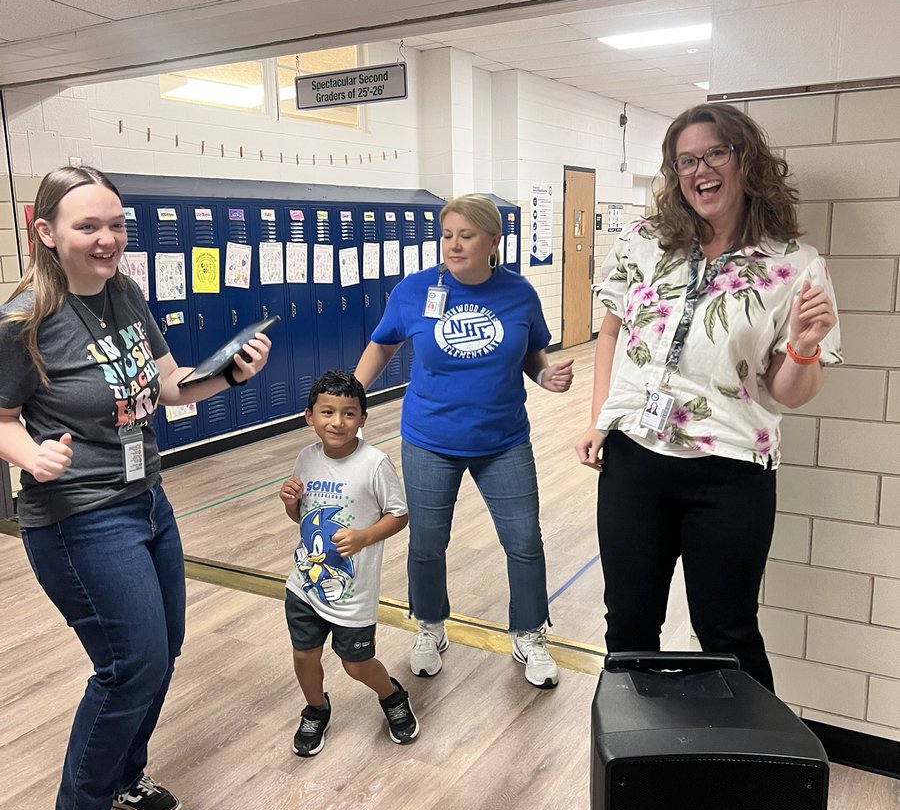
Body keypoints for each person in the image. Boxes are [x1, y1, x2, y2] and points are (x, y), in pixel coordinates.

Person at [0, 166, 271, 810]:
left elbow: (169, 387)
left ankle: (123, 776)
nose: (107, 239)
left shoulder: (125, 293)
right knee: (131, 664)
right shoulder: (23, 317)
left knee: (163, 648)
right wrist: (33, 454)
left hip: (146, 499)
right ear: (46, 232)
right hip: (76, 517)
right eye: (88, 226)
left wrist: (231, 376)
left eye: (115, 224)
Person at [575, 104, 841, 691]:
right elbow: (613, 330)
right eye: (686, 160)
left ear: (746, 160)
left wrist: (801, 347)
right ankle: (632, 767)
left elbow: (788, 393)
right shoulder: (645, 243)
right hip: (636, 461)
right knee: (629, 625)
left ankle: (752, 773)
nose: (700, 170)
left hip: (731, 469)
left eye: (715, 153)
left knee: (727, 630)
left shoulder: (794, 266)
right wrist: (602, 419)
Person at [354, 194, 574, 689]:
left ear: (493, 242)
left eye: (466, 236)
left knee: (523, 541)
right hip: (430, 438)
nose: (453, 245)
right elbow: (384, 342)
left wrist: (546, 378)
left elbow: (532, 355)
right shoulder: (415, 291)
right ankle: (430, 626)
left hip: (503, 439)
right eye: (448, 234)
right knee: (428, 543)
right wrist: (352, 394)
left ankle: (530, 634)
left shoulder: (518, 293)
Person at [279, 370, 416, 755]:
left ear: (363, 419)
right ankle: (316, 708)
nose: (337, 422)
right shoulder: (306, 458)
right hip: (304, 584)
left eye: (349, 414)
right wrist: (292, 504)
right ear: (310, 417)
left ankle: (392, 696)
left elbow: (399, 514)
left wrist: (364, 536)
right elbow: (303, 519)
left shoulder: (374, 463)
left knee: (356, 664)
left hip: (352, 594)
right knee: (304, 655)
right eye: (327, 412)